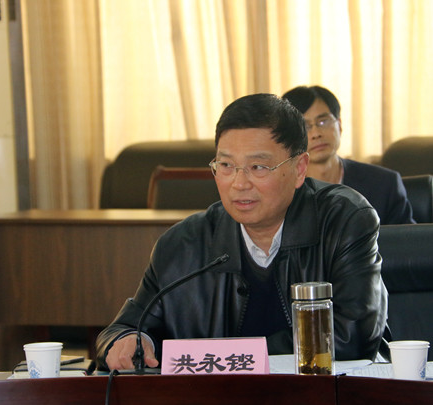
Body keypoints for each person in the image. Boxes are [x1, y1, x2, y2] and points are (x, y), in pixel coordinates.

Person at [96, 93, 388, 371]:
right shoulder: (183, 244)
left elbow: (350, 338)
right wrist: (127, 341)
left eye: (258, 167)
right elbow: (123, 329)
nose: (239, 183)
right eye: (226, 165)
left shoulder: (344, 220)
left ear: (300, 169)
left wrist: (231, 358)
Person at [282, 85, 415, 225]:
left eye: (323, 122)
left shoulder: (384, 184)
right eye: (304, 127)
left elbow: (407, 238)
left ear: (339, 125)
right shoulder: (280, 190)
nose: (316, 133)